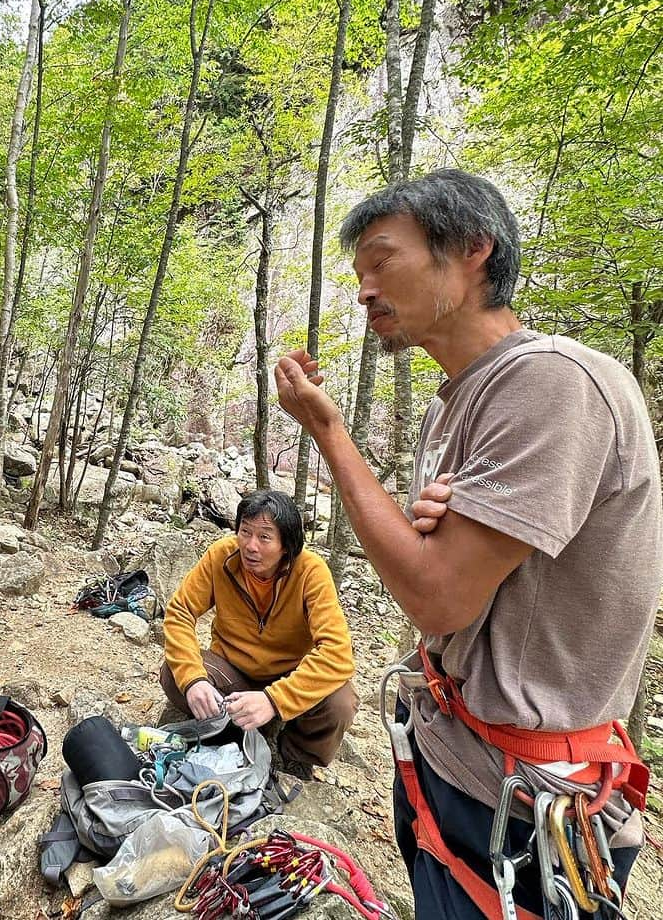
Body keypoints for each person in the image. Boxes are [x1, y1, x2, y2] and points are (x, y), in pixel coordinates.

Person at [274, 168, 663, 918]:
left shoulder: (555, 384)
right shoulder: (456, 405)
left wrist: (327, 430)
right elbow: (439, 577)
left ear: (474, 249)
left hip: (528, 806)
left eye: (383, 259)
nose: (364, 290)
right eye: (359, 273)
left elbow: (435, 593)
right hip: (452, 756)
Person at [160, 489, 358, 778]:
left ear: (286, 545)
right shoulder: (222, 557)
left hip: (289, 676)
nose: (251, 546)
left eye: (265, 537)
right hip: (233, 671)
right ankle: (228, 735)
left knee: (340, 703)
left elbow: (337, 654)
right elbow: (180, 612)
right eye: (245, 532)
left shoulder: (310, 572)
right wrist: (193, 680)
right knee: (174, 674)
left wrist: (274, 700)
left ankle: (293, 759)